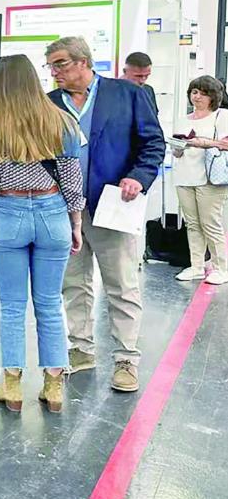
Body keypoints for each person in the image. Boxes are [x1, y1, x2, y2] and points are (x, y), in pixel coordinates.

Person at [46, 36, 165, 394]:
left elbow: (152, 143)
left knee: (122, 285)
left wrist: (138, 177)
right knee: (73, 283)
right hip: (64, 209)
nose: (54, 72)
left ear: (83, 62)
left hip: (113, 205)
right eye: (50, 66)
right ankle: (81, 349)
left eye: (60, 64)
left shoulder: (127, 94)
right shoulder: (49, 102)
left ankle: (126, 358)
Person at [0, 56, 84, 413]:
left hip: (9, 214)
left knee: (12, 305)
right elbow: (72, 181)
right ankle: (54, 387)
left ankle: (12, 385)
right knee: (50, 304)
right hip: (53, 215)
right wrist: (75, 224)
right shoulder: (62, 121)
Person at [170, 76, 228, 285]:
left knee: (210, 223)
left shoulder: (222, 116)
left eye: (203, 93)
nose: (197, 97)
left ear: (213, 96)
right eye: (194, 92)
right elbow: (177, 151)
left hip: (211, 177)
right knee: (192, 224)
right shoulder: (184, 119)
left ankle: (221, 268)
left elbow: (225, 144)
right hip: (185, 174)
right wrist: (178, 146)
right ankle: (196, 266)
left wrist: (200, 142)